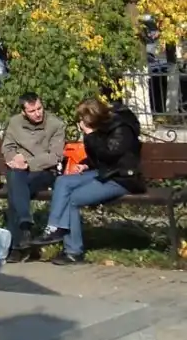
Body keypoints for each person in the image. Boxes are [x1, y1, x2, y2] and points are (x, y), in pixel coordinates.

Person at [34, 98, 144, 264]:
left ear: (94, 118)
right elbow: (98, 158)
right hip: (105, 172)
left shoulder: (121, 129)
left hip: (122, 178)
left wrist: (90, 135)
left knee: (72, 199)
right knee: (63, 181)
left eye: (82, 120)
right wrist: (86, 165)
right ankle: (54, 227)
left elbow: (110, 154)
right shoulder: (101, 126)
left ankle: (73, 251)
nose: (80, 123)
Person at [1, 93, 66, 250]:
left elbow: (55, 156)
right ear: (23, 112)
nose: (37, 113)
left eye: (39, 108)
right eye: (32, 111)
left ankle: (17, 243)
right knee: (16, 178)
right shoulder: (15, 122)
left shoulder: (56, 124)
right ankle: (24, 229)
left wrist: (27, 163)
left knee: (15, 188)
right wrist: (14, 158)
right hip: (20, 171)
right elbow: (7, 147)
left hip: (45, 172)